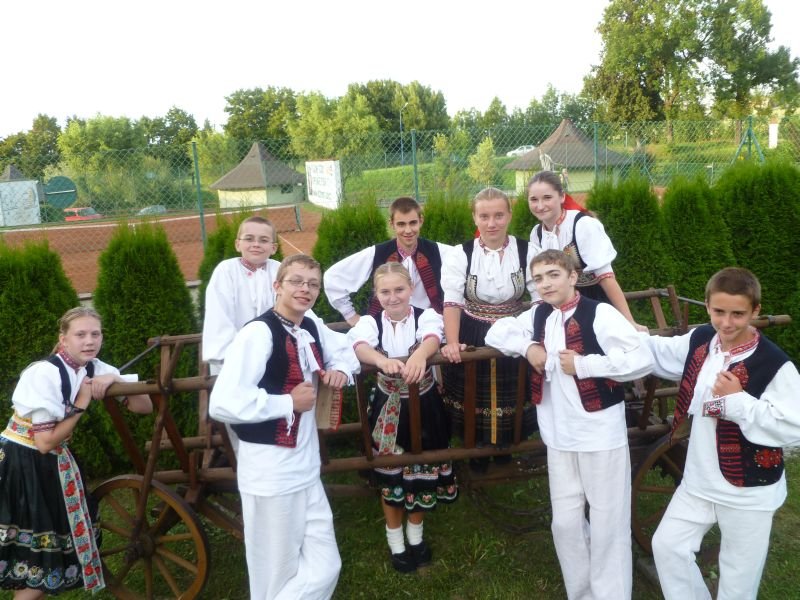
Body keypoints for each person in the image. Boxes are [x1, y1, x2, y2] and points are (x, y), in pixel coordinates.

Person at [486, 249, 653, 600]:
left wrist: (586, 365)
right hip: (558, 437)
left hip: (599, 435)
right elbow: (496, 332)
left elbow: (640, 358)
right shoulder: (538, 315)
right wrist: (528, 347)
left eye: (553, 275)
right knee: (564, 524)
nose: (545, 284)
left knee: (608, 523)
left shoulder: (600, 313)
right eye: (539, 279)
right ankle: (582, 592)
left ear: (573, 277)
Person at [642, 267, 800, 600]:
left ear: (755, 311)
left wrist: (738, 402)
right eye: (718, 312)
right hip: (699, 481)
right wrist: (620, 335)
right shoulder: (702, 339)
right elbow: (657, 351)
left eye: (738, 314)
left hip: (748, 490)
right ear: (707, 306)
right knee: (668, 546)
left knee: (738, 578)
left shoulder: (774, 364)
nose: (726, 323)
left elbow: (793, 425)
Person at [209, 254, 360, 600]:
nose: (305, 289)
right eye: (296, 281)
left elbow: (345, 349)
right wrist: (287, 403)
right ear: (277, 286)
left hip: (306, 471)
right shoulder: (258, 333)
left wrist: (340, 369)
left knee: (327, 565)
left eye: (313, 284)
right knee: (274, 575)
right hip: (271, 474)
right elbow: (223, 402)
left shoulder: (309, 326)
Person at [0, 307, 152, 598]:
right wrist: (83, 400)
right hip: (22, 463)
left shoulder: (94, 367)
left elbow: (144, 406)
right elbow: (44, 442)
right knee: (37, 556)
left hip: (52, 461)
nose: (89, 341)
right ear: (63, 339)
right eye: (80, 334)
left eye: (95, 334)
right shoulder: (44, 373)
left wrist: (116, 381)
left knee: (43, 559)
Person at [347, 263, 457, 573]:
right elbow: (359, 346)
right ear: (376, 294)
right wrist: (381, 361)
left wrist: (420, 355)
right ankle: (395, 541)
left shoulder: (425, 315)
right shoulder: (370, 322)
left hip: (425, 404)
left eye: (399, 289)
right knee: (391, 473)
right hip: (389, 407)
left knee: (422, 469)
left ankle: (416, 535)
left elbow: (433, 337)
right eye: (385, 291)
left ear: (411, 289)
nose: (393, 297)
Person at [440, 187, 536, 461]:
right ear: (474, 217)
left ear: (509, 215)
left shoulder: (528, 251)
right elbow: (452, 302)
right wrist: (452, 342)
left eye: (498, 215)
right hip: (473, 330)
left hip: (515, 328)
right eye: (484, 216)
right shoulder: (461, 254)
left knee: (511, 388)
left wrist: (537, 335)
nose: (492, 223)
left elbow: (540, 298)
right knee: (474, 389)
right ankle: (477, 449)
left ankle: (507, 445)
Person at [527, 169, 638, 325]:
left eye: (547, 198)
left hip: (594, 303)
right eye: (534, 199)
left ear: (562, 196)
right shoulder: (537, 234)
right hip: (559, 307)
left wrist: (630, 322)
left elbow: (606, 277)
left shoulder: (582, 225)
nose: (540, 205)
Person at [323, 196, 450, 326]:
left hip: (428, 325)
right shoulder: (376, 253)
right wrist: (351, 316)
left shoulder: (438, 251)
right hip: (384, 327)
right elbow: (333, 277)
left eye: (413, 223)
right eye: (401, 224)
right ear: (391, 224)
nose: (408, 230)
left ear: (421, 221)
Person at [202, 215, 281, 375]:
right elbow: (219, 319)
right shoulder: (226, 271)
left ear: (274, 248)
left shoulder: (280, 270)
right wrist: (242, 360)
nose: (256, 244)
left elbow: (296, 312)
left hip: (276, 356)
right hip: (234, 362)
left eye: (264, 240)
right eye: (249, 239)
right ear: (238, 244)